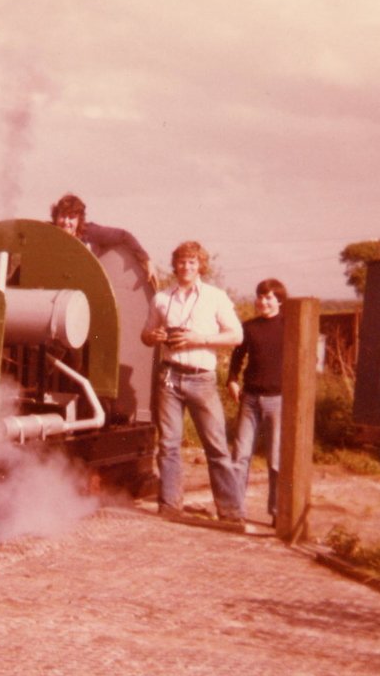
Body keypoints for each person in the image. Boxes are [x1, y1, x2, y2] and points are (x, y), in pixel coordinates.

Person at [141, 240, 244, 522]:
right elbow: (146, 334)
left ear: (201, 266)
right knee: (169, 445)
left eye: (192, 262)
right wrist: (156, 336)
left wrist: (199, 339)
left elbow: (236, 335)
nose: (186, 267)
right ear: (174, 265)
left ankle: (231, 512)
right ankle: (170, 507)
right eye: (182, 262)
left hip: (202, 379)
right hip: (169, 377)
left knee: (217, 446)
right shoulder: (162, 298)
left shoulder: (215, 297)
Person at [227, 278, 287, 524]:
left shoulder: (290, 326)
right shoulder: (249, 328)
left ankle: (277, 513)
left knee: (276, 459)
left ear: (280, 301)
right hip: (250, 399)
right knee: (240, 456)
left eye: (269, 297)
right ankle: (235, 510)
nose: (263, 302)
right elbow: (237, 358)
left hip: (279, 401)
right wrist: (232, 379)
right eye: (260, 297)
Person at [50, 193, 159, 291]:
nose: (66, 222)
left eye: (72, 217)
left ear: (79, 220)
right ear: (56, 217)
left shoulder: (89, 232)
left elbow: (124, 236)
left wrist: (146, 260)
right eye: (63, 216)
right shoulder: (47, 234)